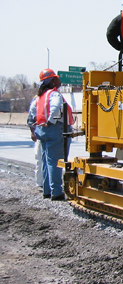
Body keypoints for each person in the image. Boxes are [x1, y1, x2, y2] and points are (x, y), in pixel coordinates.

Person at [27, 69, 73, 201]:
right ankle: (57, 192)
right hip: (55, 129)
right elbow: (56, 107)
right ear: (52, 81)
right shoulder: (54, 95)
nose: (59, 80)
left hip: (41, 130)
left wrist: (33, 130)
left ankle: (47, 191)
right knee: (55, 162)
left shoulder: (39, 97)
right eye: (56, 78)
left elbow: (31, 116)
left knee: (46, 161)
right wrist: (50, 121)